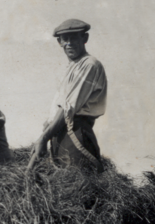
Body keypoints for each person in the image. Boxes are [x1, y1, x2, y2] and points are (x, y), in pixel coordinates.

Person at [28, 19, 107, 172]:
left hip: (76, 133)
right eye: (66, 39)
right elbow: (59, 108)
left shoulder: (89, 65)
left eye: (74, 37)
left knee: (78, 187)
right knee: (62, 187)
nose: (69, 43)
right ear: (60, 42)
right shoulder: (72, 67)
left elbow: (67, 109)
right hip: (60, 133)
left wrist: (44, 138)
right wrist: (46, 133)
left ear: (84, 39)